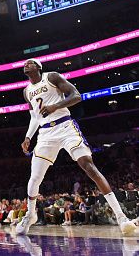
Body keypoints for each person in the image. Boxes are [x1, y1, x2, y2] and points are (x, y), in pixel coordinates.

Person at [16, 59, 135, 235]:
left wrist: (55, 105)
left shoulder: (52, 77)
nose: (26, 64)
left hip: (65, 126)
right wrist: (28, 137)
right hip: (45, 134)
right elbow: (34, 116)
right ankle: (30, 214)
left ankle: (121, 217)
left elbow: (76, 95)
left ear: (39, 67)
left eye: (31, 62)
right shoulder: (27, 92)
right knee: (34, 179)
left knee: (89, 166)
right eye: (25, 64)